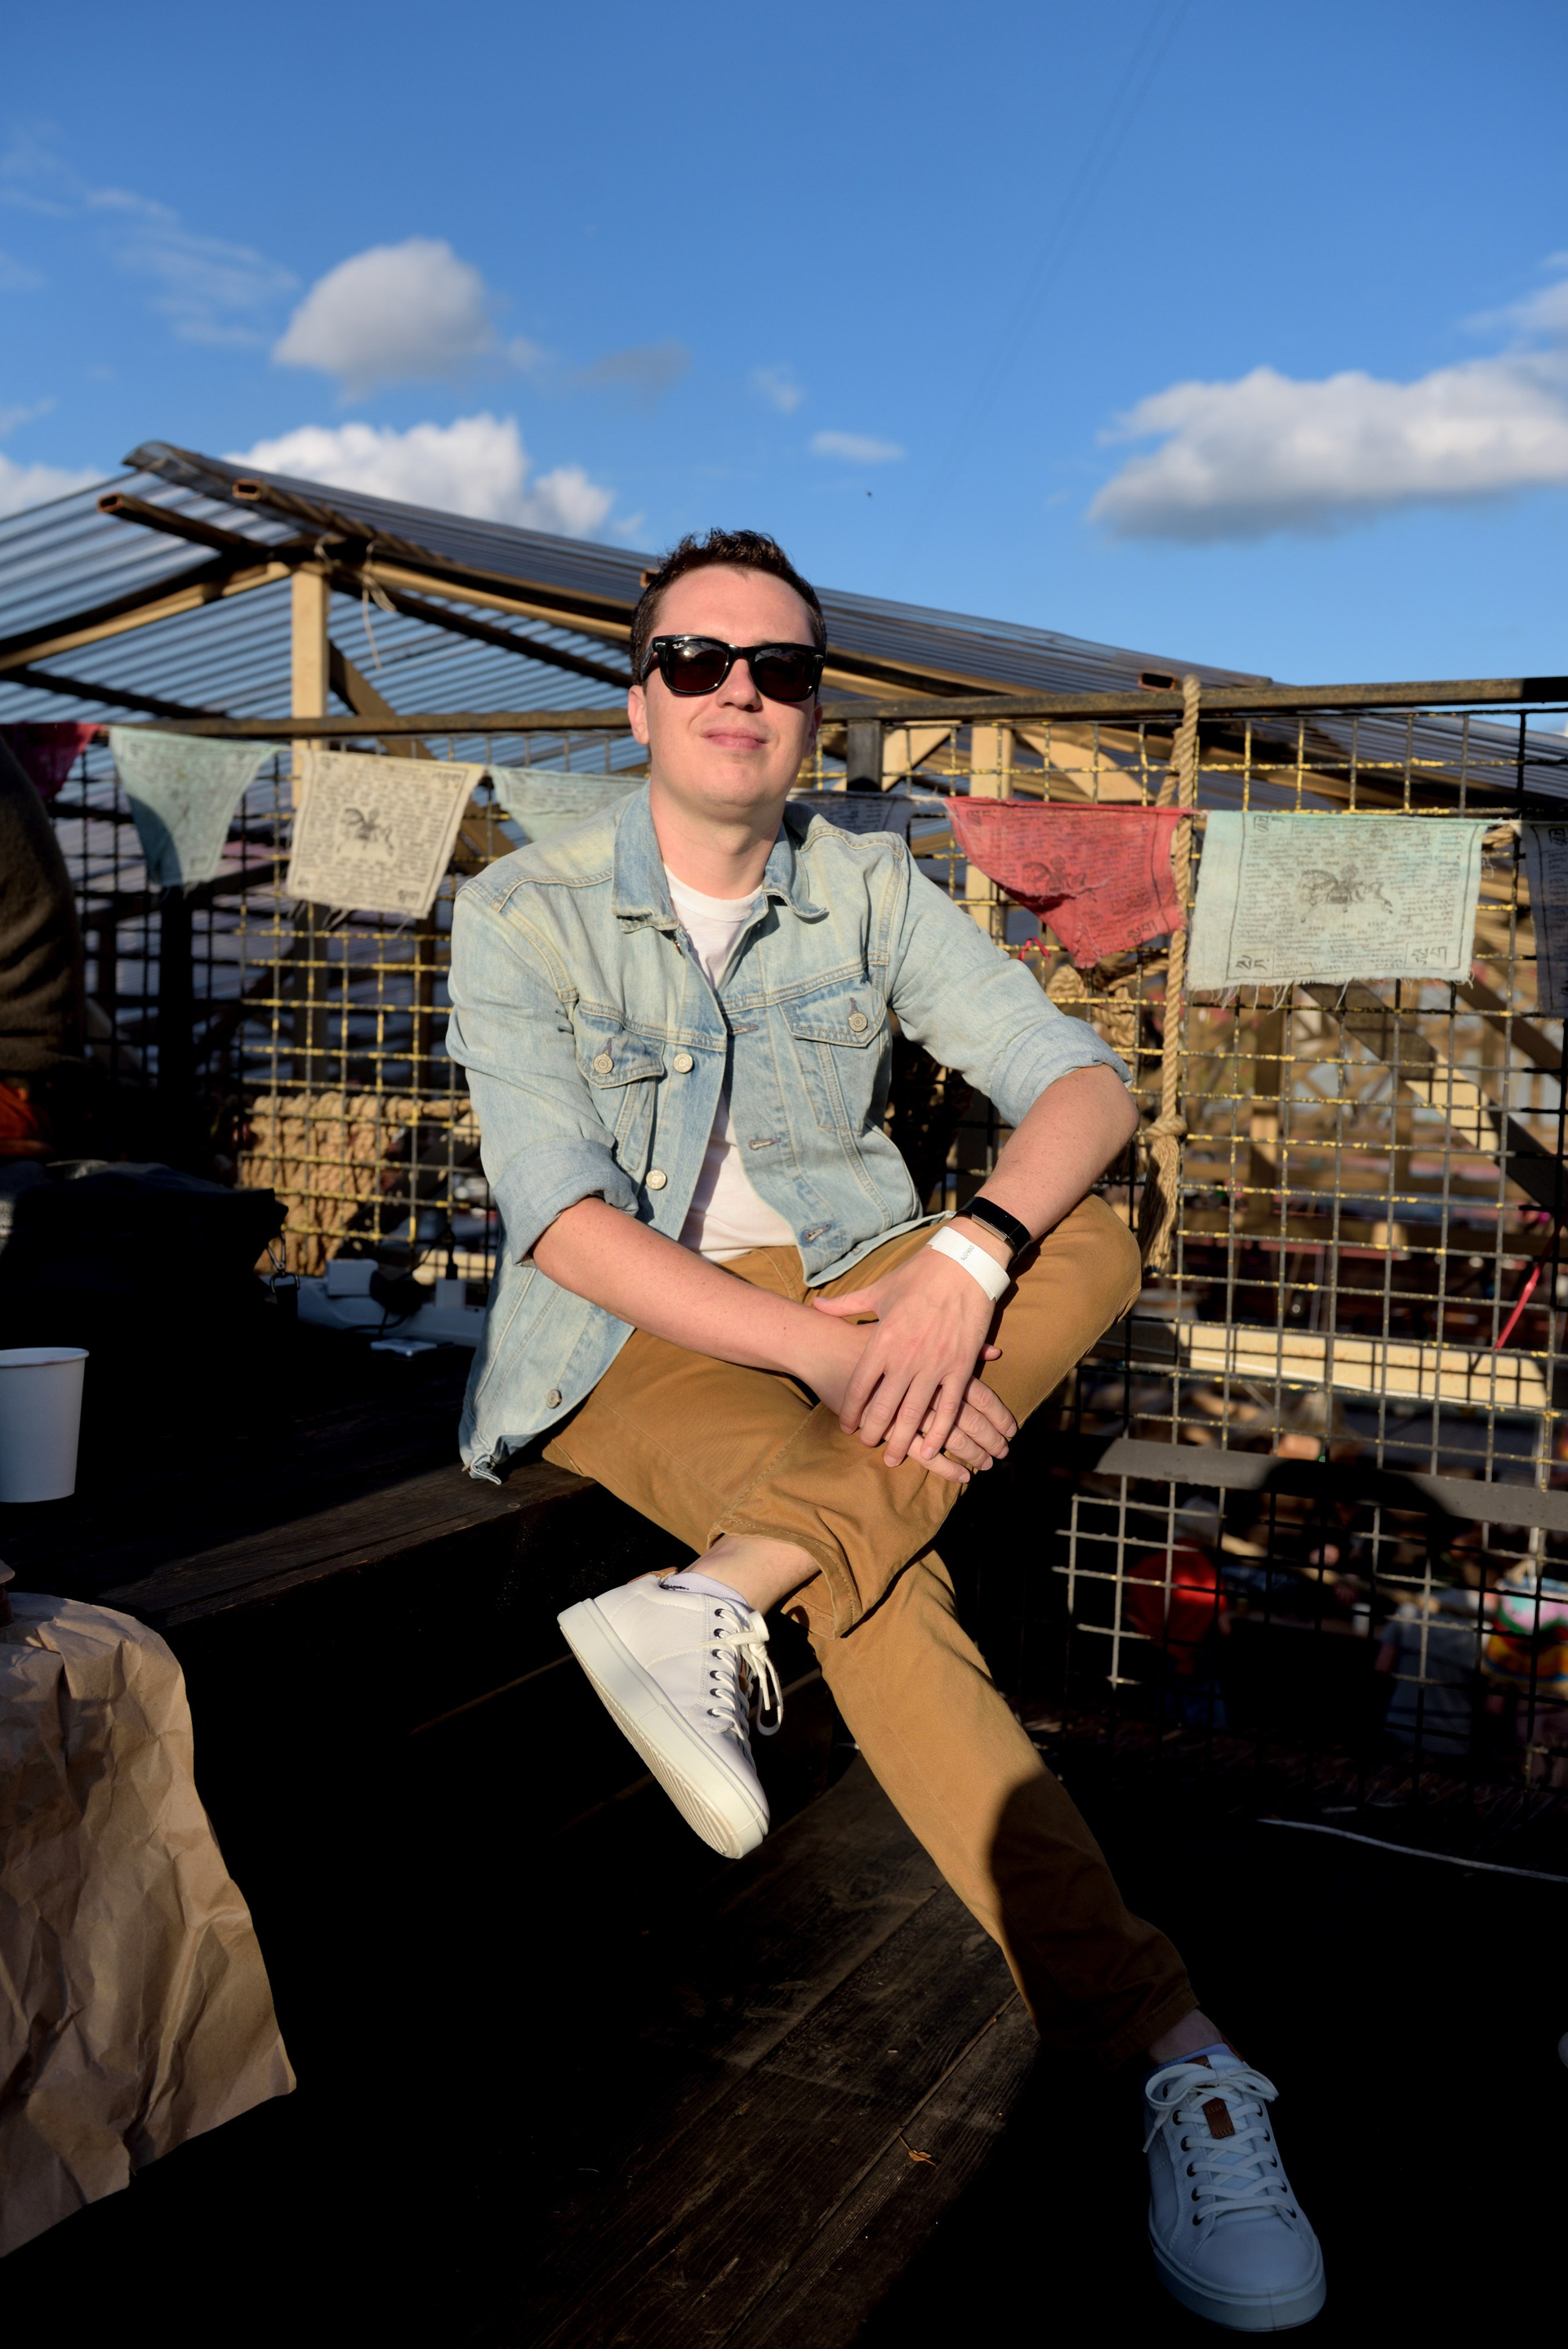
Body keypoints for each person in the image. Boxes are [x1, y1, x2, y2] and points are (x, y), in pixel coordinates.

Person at [447, 530, 1325, 2332]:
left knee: (1091, 1234)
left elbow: (1082, 1087)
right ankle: (1179, 2048)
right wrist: (829, 1356)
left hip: (866, 1282)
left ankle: (728, 1588)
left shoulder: (868, 880)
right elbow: (565, 1223)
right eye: (697, 660)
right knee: (888, 1585)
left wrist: (966, 1261)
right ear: (638, 700)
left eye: (778, 667)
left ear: (815, 711)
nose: (739, 691)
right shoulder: (522, 907)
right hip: (638, 1333)